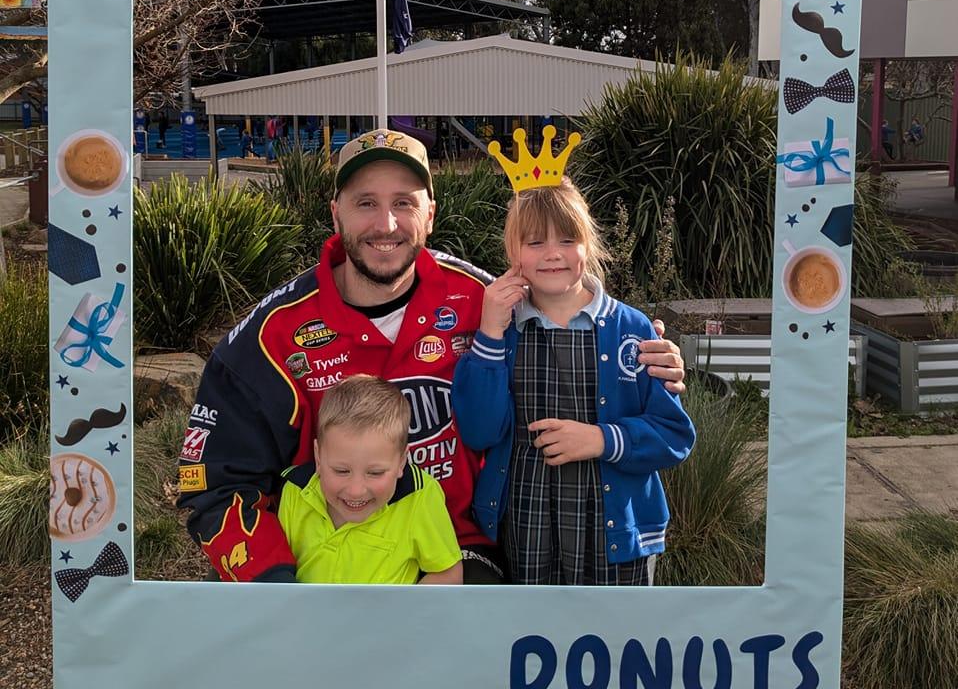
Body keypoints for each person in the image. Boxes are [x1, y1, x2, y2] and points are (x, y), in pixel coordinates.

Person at [177, 128, 687, 586]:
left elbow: (568, 308)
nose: (387, 223)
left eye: (404, 202)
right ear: (335, 213)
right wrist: (277, 585)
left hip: (461, 551)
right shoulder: (272, 336)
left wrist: (643, 348)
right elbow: (211, 484)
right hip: (329, 566)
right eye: (365, 203)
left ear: (430, 213)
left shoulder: (481, 299)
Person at [452, 178, 695, 586]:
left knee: (615, 642)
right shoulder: (501, 328)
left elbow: (674, 436)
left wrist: (602, 440)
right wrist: (489, 336)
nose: (552, 255)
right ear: (513, 253)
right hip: (526, 527)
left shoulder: (631, 329)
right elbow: (478, 432)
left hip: (614, 534)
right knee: (530, 641)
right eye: (534, 243)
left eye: (567, 240)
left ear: (588, 245)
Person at [279, 374, 462, 584]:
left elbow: (448, 572)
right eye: (341, 471)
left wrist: (402, 615)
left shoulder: (420, 497)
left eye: (375, 473)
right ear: (318, 456)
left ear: (402, 461)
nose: (356, 490)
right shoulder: (295, 490)